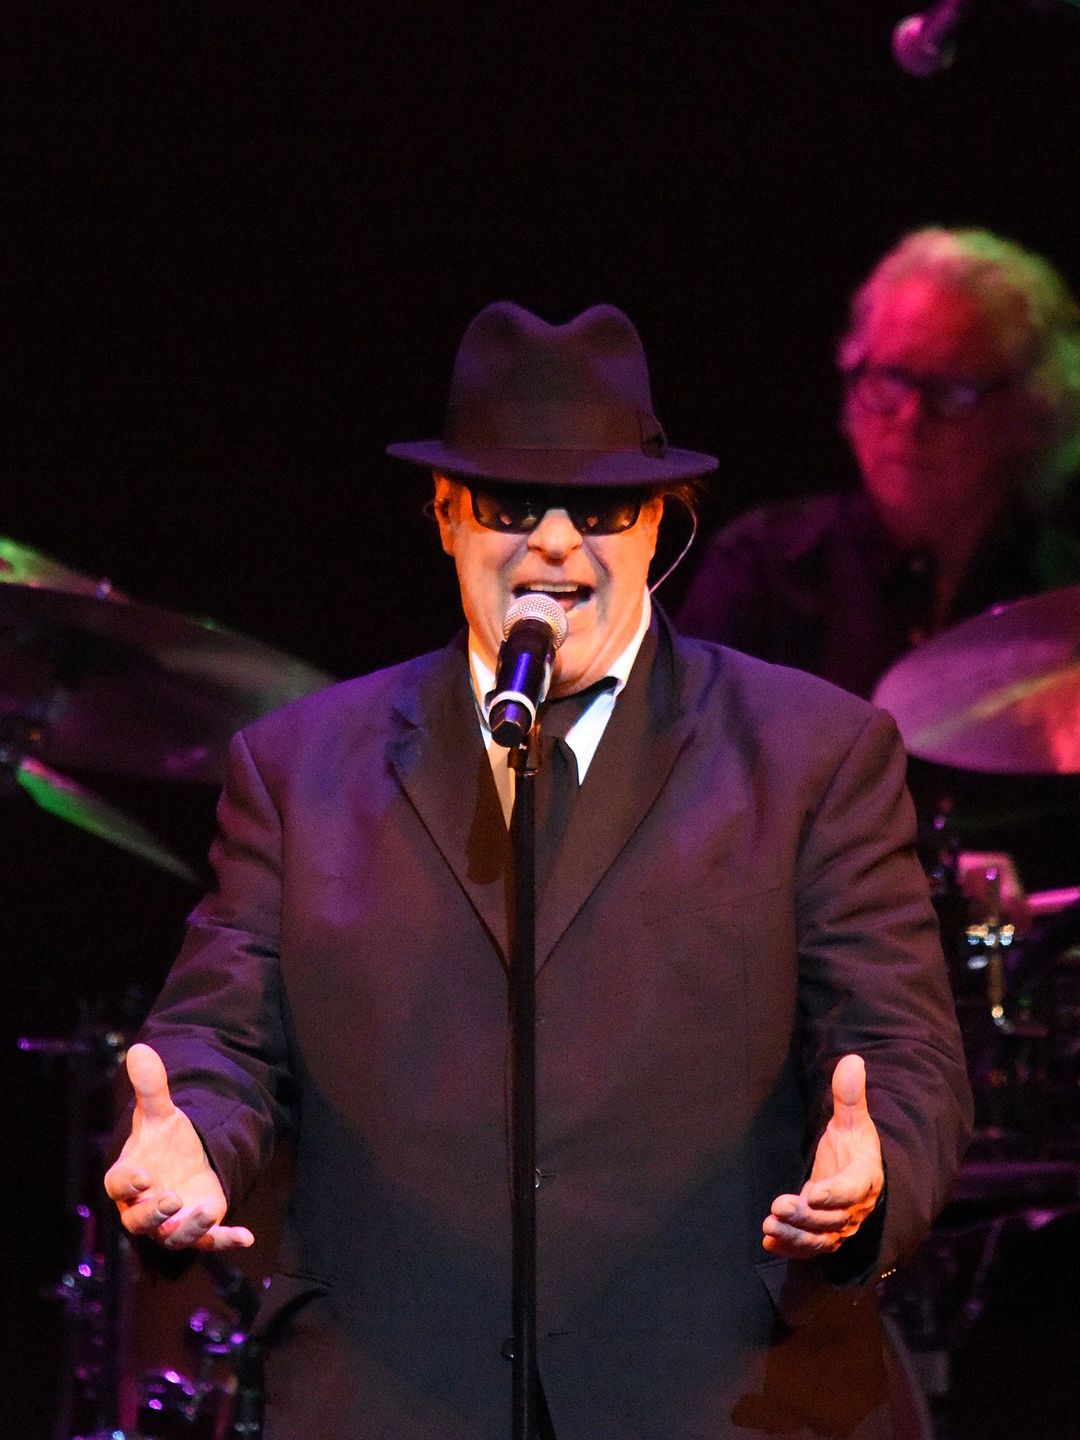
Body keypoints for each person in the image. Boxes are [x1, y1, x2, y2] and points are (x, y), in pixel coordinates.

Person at [105, 301, 971, 1440]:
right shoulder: (299, 769)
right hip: (392, 1393)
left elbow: (903, 1051)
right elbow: (223, 1038)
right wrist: (194, 1149)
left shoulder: (813, 754)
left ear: (662, 523)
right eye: (514, 504)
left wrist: (868, 1191)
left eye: (602, 507)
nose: (556, 543)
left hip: (726, 1399)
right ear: (448, 514)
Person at [677, 227, 1080, 701]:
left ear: (1032, 410)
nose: (909, 418)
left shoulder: (1063, 593)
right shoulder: (764, 570)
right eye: (890, 379)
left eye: (951, 390)